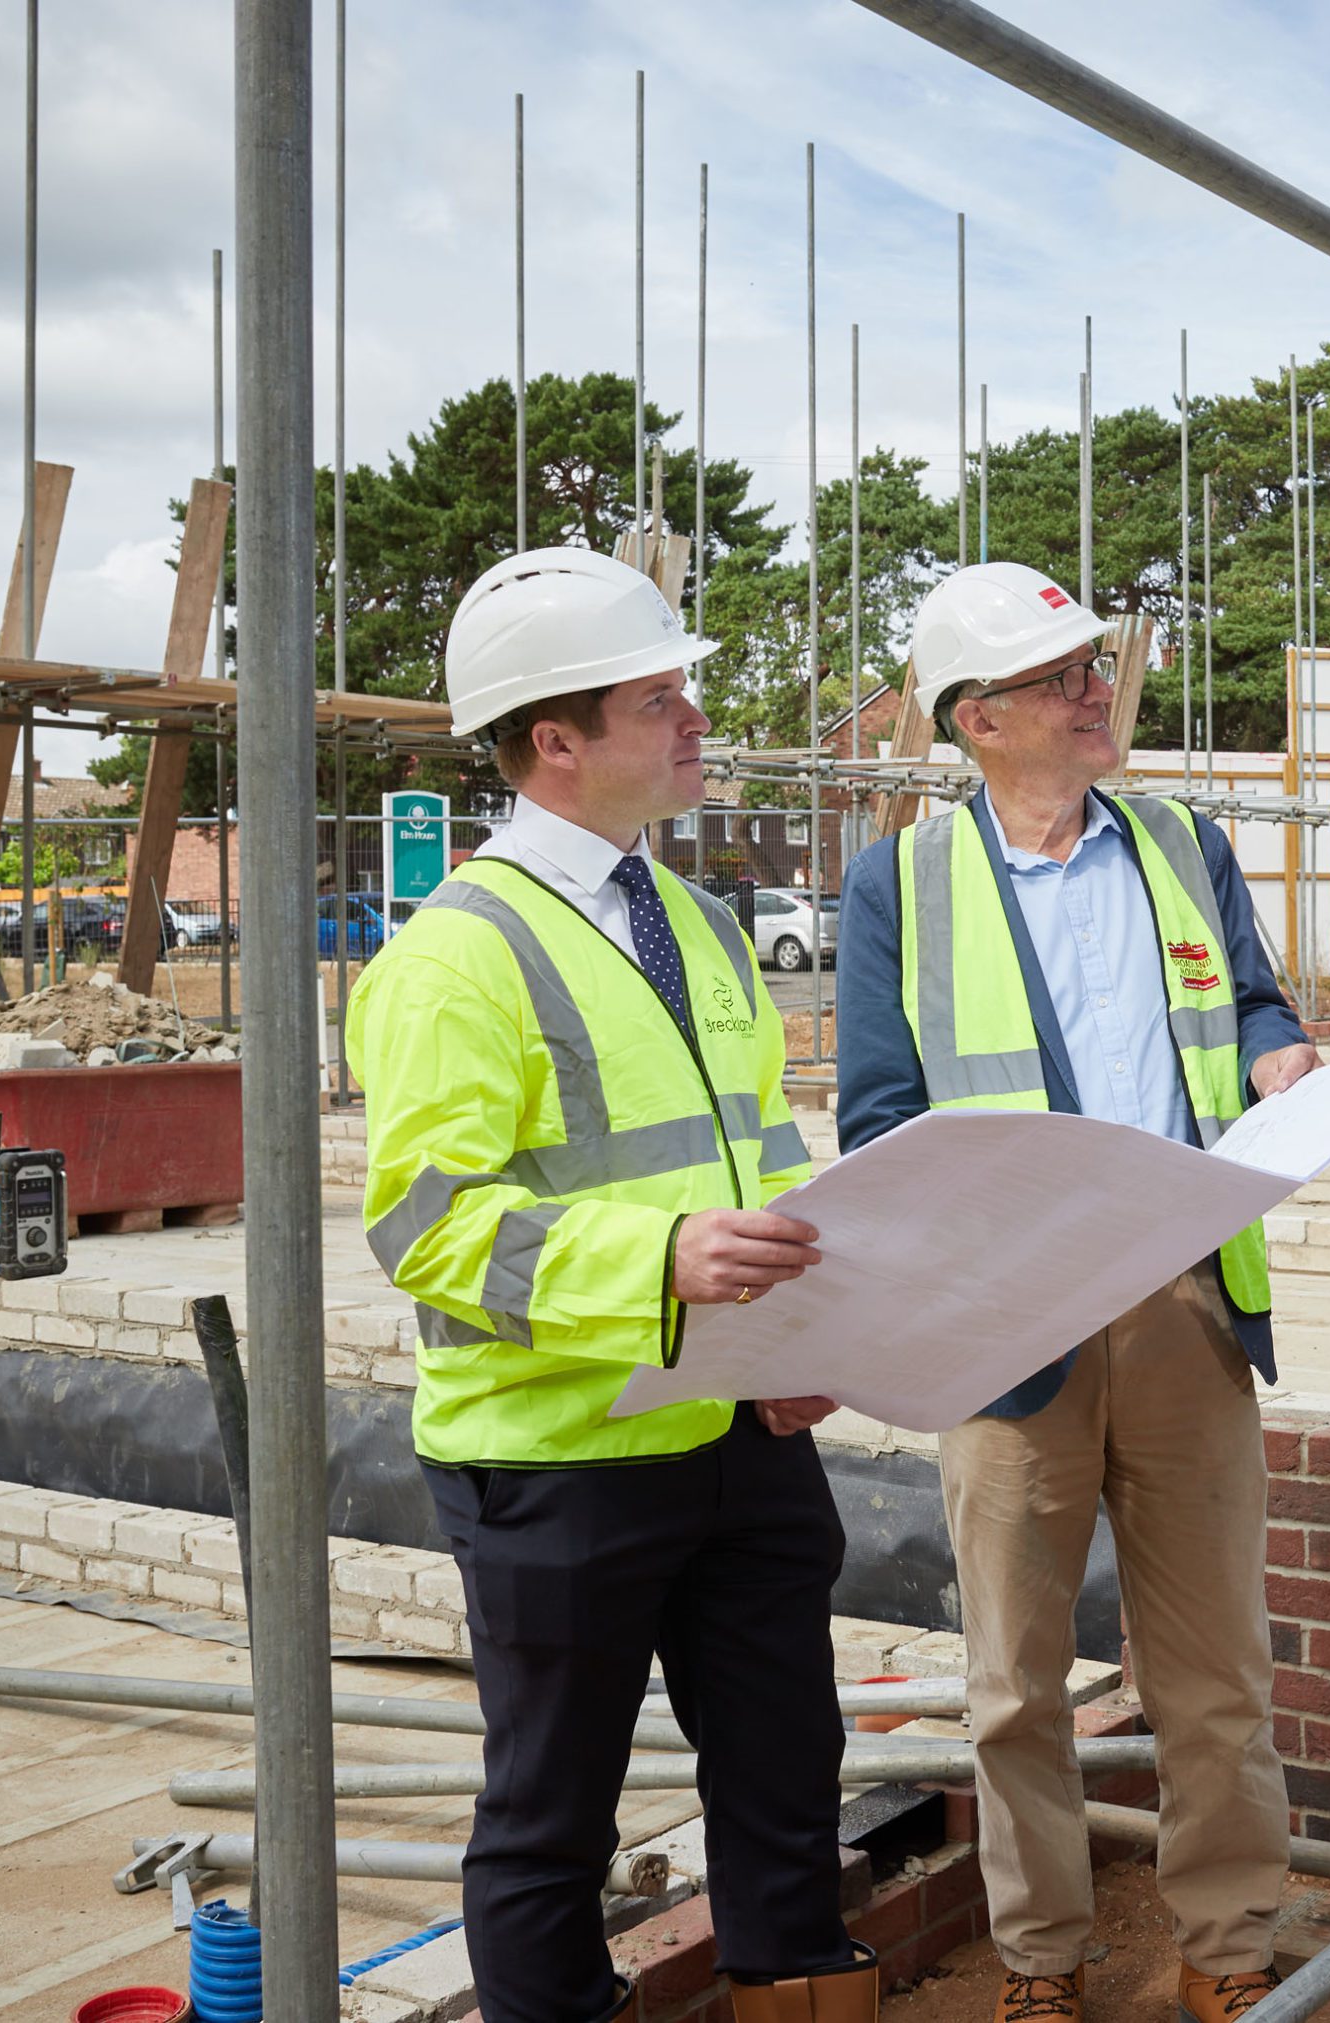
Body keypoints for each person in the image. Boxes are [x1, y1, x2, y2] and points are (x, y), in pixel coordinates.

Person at [347, 547, 874, 2023]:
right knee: (551, 1822)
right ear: (556, 740)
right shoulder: (457, 955)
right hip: (555, 1457)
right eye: (662, 697)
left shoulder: (696, 922)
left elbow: (757, 1162)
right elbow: (430, 1229)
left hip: (740, 1429)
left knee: (786, 1777)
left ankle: (801, 1996)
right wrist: (660, 1264)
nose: (697, 715)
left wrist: (801, 1328)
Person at [835, 562, 1317, 2023]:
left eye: (1093, 668)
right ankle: (1041, 1967)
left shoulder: (1182, 842)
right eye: (1060, 678)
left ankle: (1227, 1952)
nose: (1096, 689)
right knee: (1013, 1690)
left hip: (1181, 1305)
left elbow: (1248, 999)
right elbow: (875, 1119)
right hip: (1007, 1329)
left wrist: (1281, 1047)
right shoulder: (899, 882)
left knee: (1216, 1676)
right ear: (977, 721)